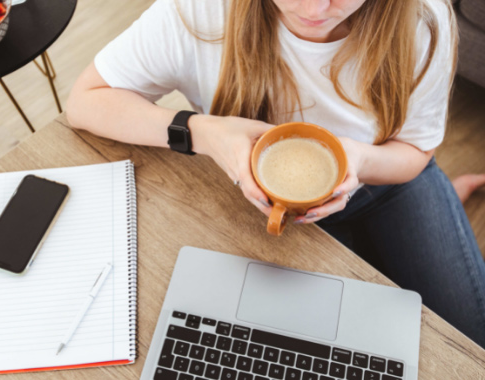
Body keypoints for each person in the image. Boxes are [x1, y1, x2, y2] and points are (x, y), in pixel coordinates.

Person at [65, 0, 485, 347]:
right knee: (325, 344)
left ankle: (445, 195)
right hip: (266, 204)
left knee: (469, 337)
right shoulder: (199, 12)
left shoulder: (421, 19)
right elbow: (84, 102)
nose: (316, 9)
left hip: (387, 180)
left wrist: (360, 162)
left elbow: (415, 148)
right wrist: (203, 131)